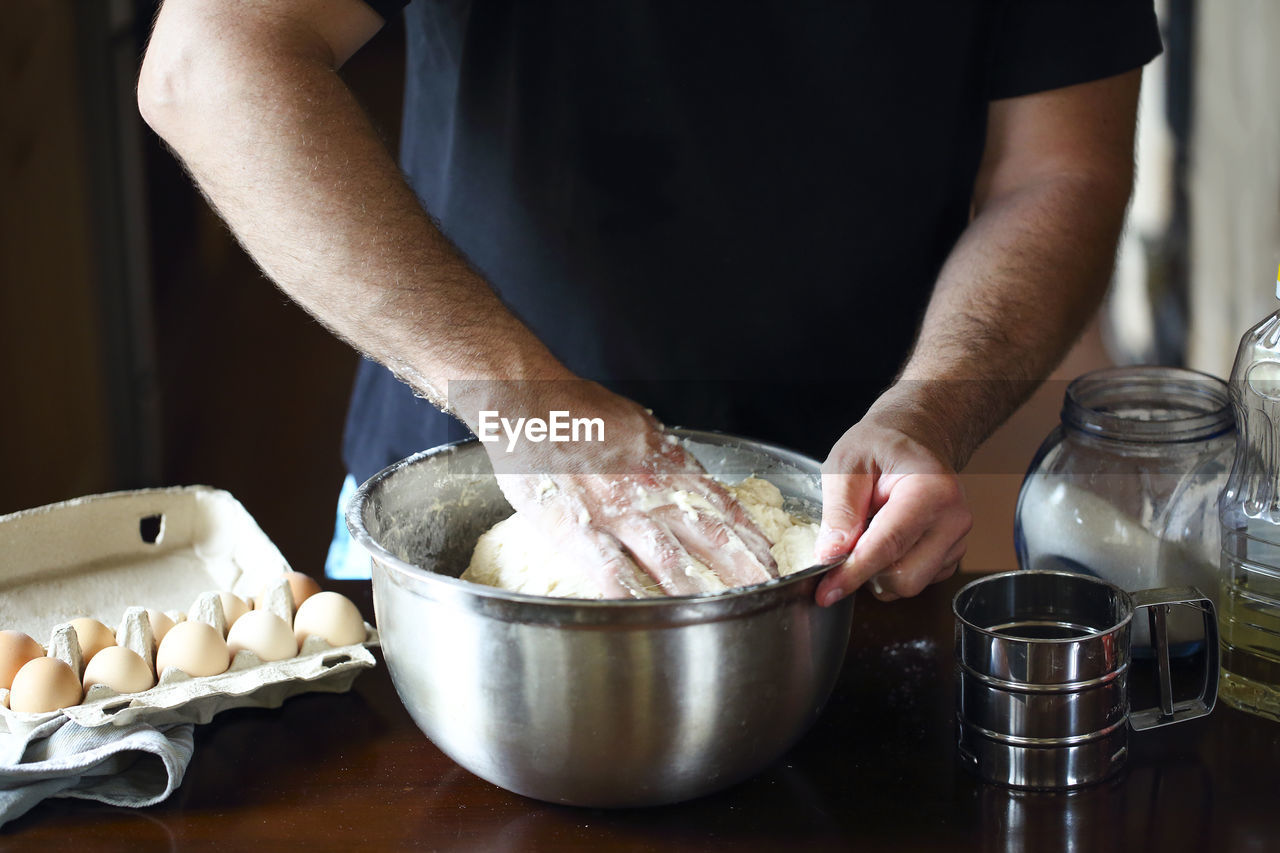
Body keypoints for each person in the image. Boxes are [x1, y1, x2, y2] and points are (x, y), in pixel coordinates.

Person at [137, 1, 1161, 604]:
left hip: (844, 546)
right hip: (471, 504)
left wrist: (929, 407)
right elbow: (210, 60)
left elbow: (1057, 168)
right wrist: (524, 399)